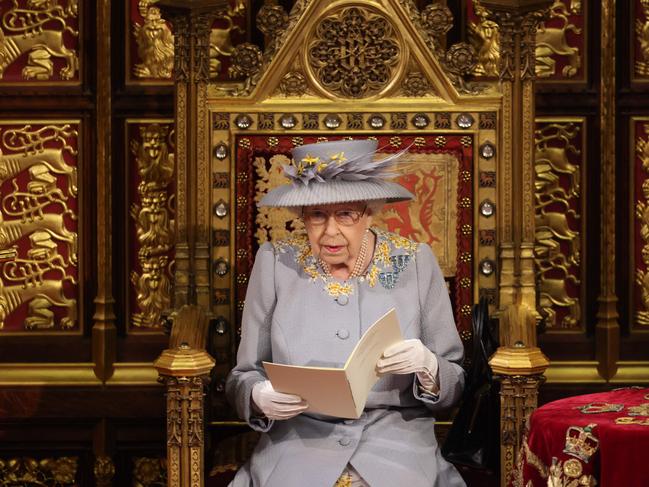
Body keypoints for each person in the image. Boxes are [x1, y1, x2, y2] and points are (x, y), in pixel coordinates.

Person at [226, 139, 466, 487]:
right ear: (302, 216)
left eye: (346, 214)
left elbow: (455, 382)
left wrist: (429, 367)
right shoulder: (276, 263)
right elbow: (242, 375)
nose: (330, 231)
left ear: (370, 212)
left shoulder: (413, 261)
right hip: (298, 443)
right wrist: (257, 396)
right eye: (317, 215)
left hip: (396, 444)